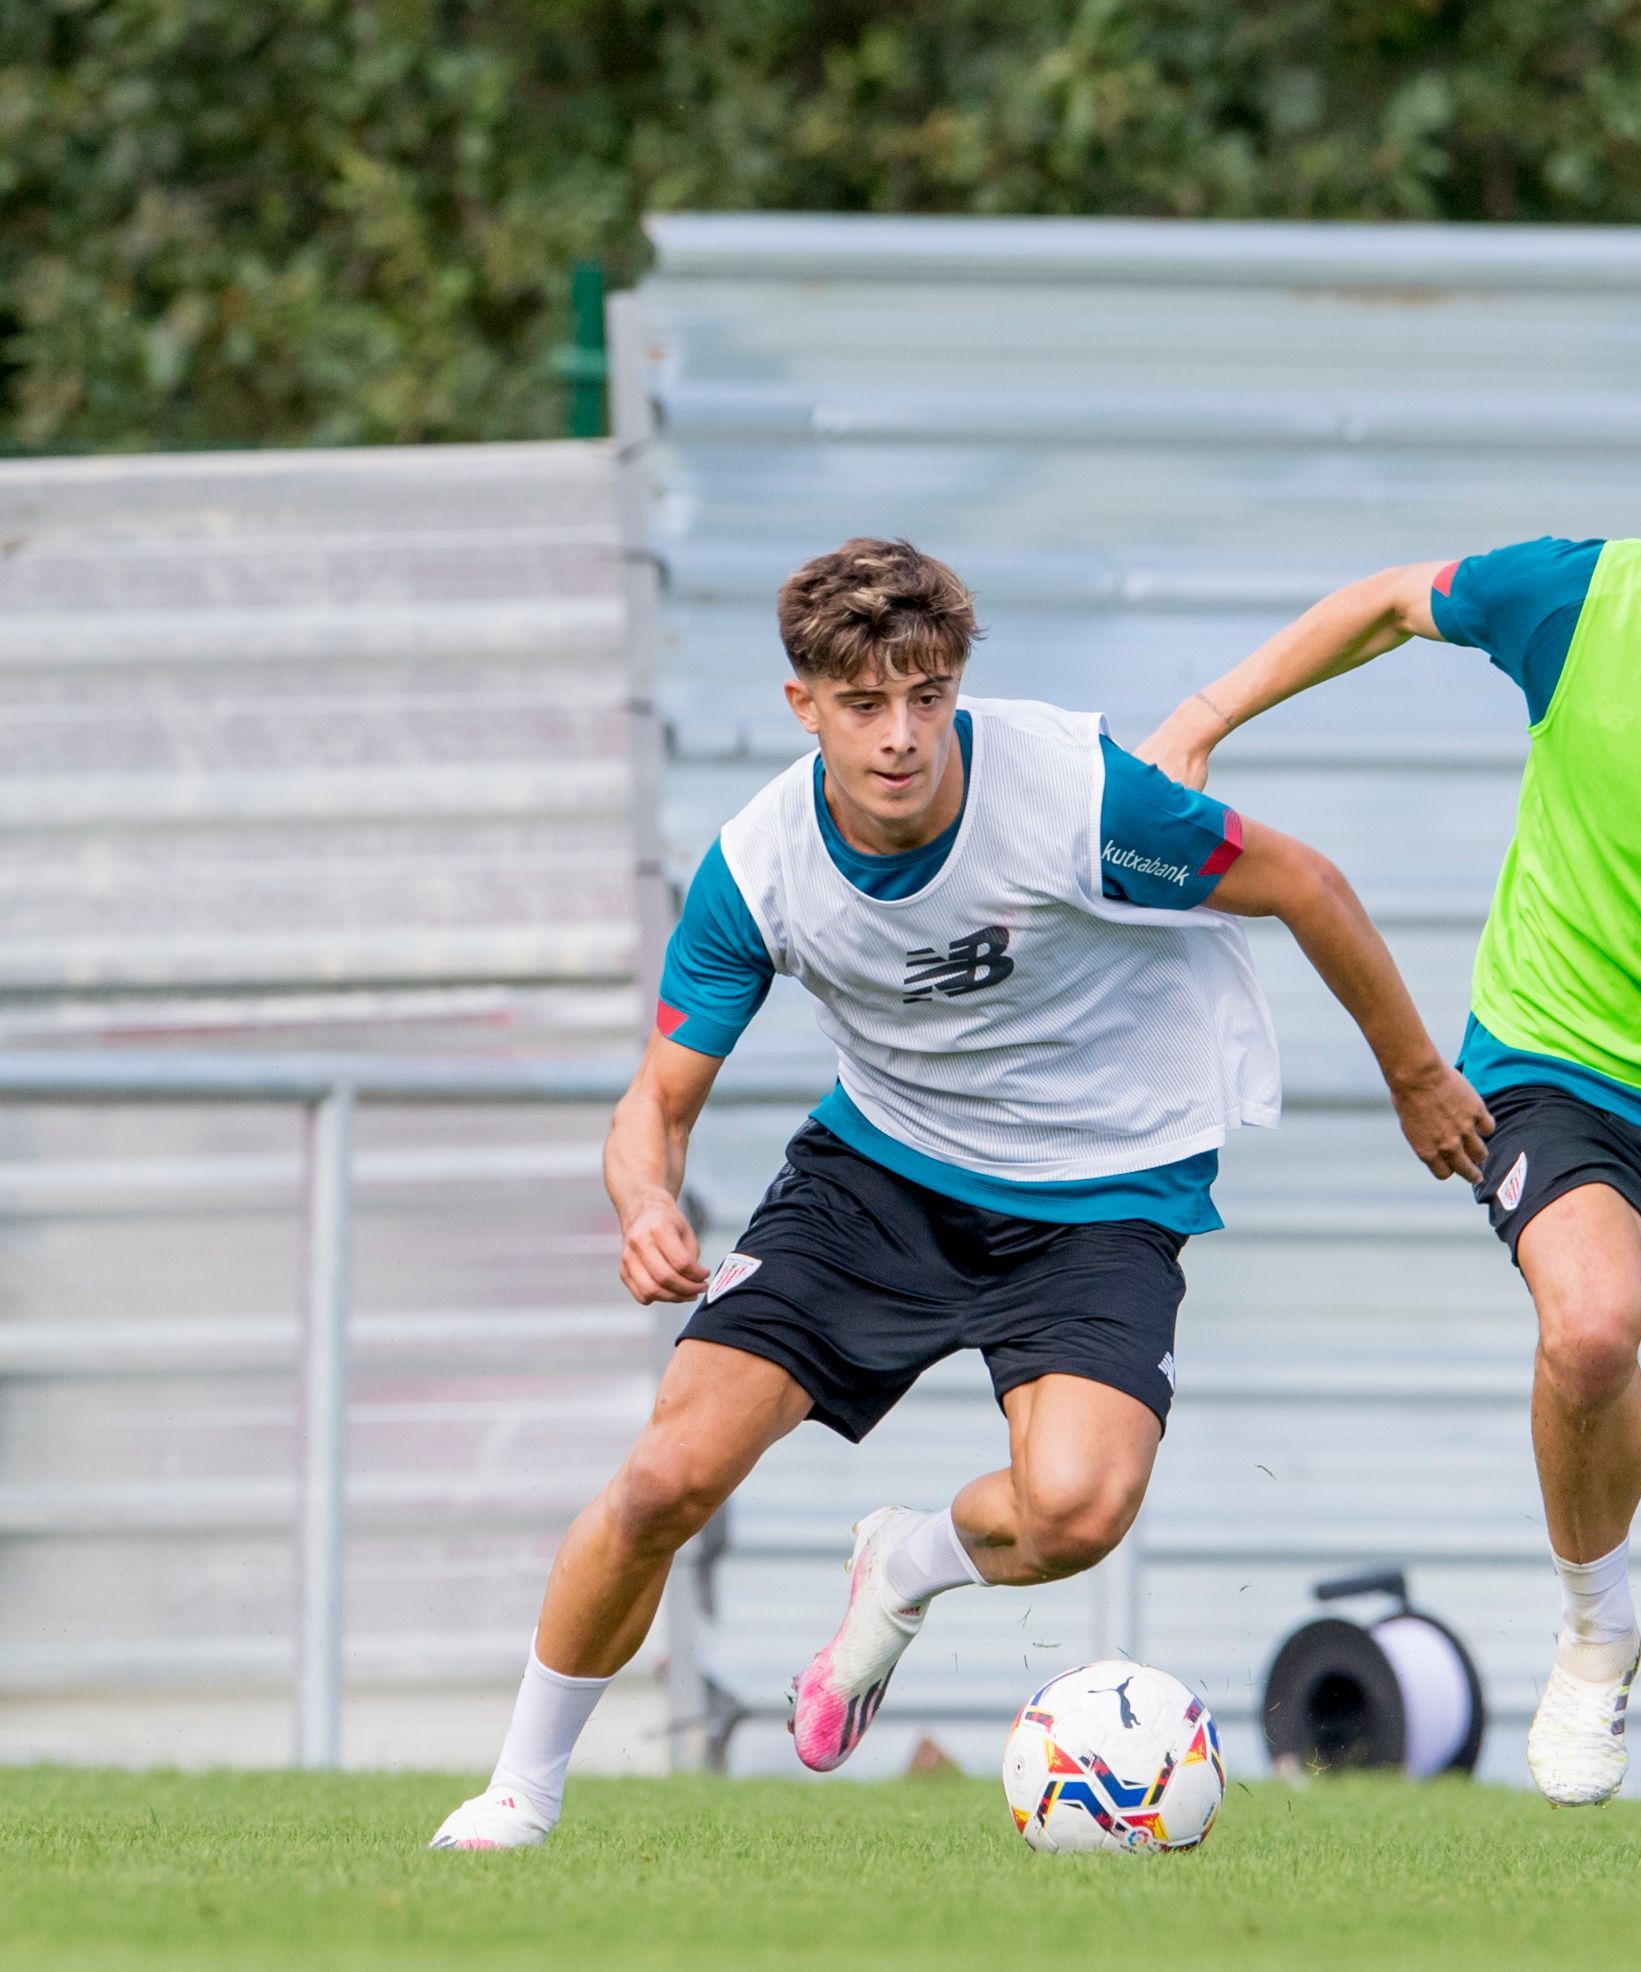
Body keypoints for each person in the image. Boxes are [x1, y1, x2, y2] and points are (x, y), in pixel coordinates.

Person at [430, 538, 1488, 1850]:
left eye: (927, 695)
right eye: (864, 704)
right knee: (664, 1481)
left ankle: (907, 1565)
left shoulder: (1075, 799)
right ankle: (519, 1793)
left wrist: (1412, 1077)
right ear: (803, 707)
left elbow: (1306, 884)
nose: (900, 736)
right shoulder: (757, 869)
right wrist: (645, 1201)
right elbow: (654, 1100)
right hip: (879, 1176)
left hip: (1102, 1191)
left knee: (1079, 1513)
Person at [1141, 363, 1641, 1855]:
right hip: (1559, 1068)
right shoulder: (1573, 600)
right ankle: (1594, 1631)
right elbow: (1384, 601)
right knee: (1585, 1326)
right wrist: (1202, 720)